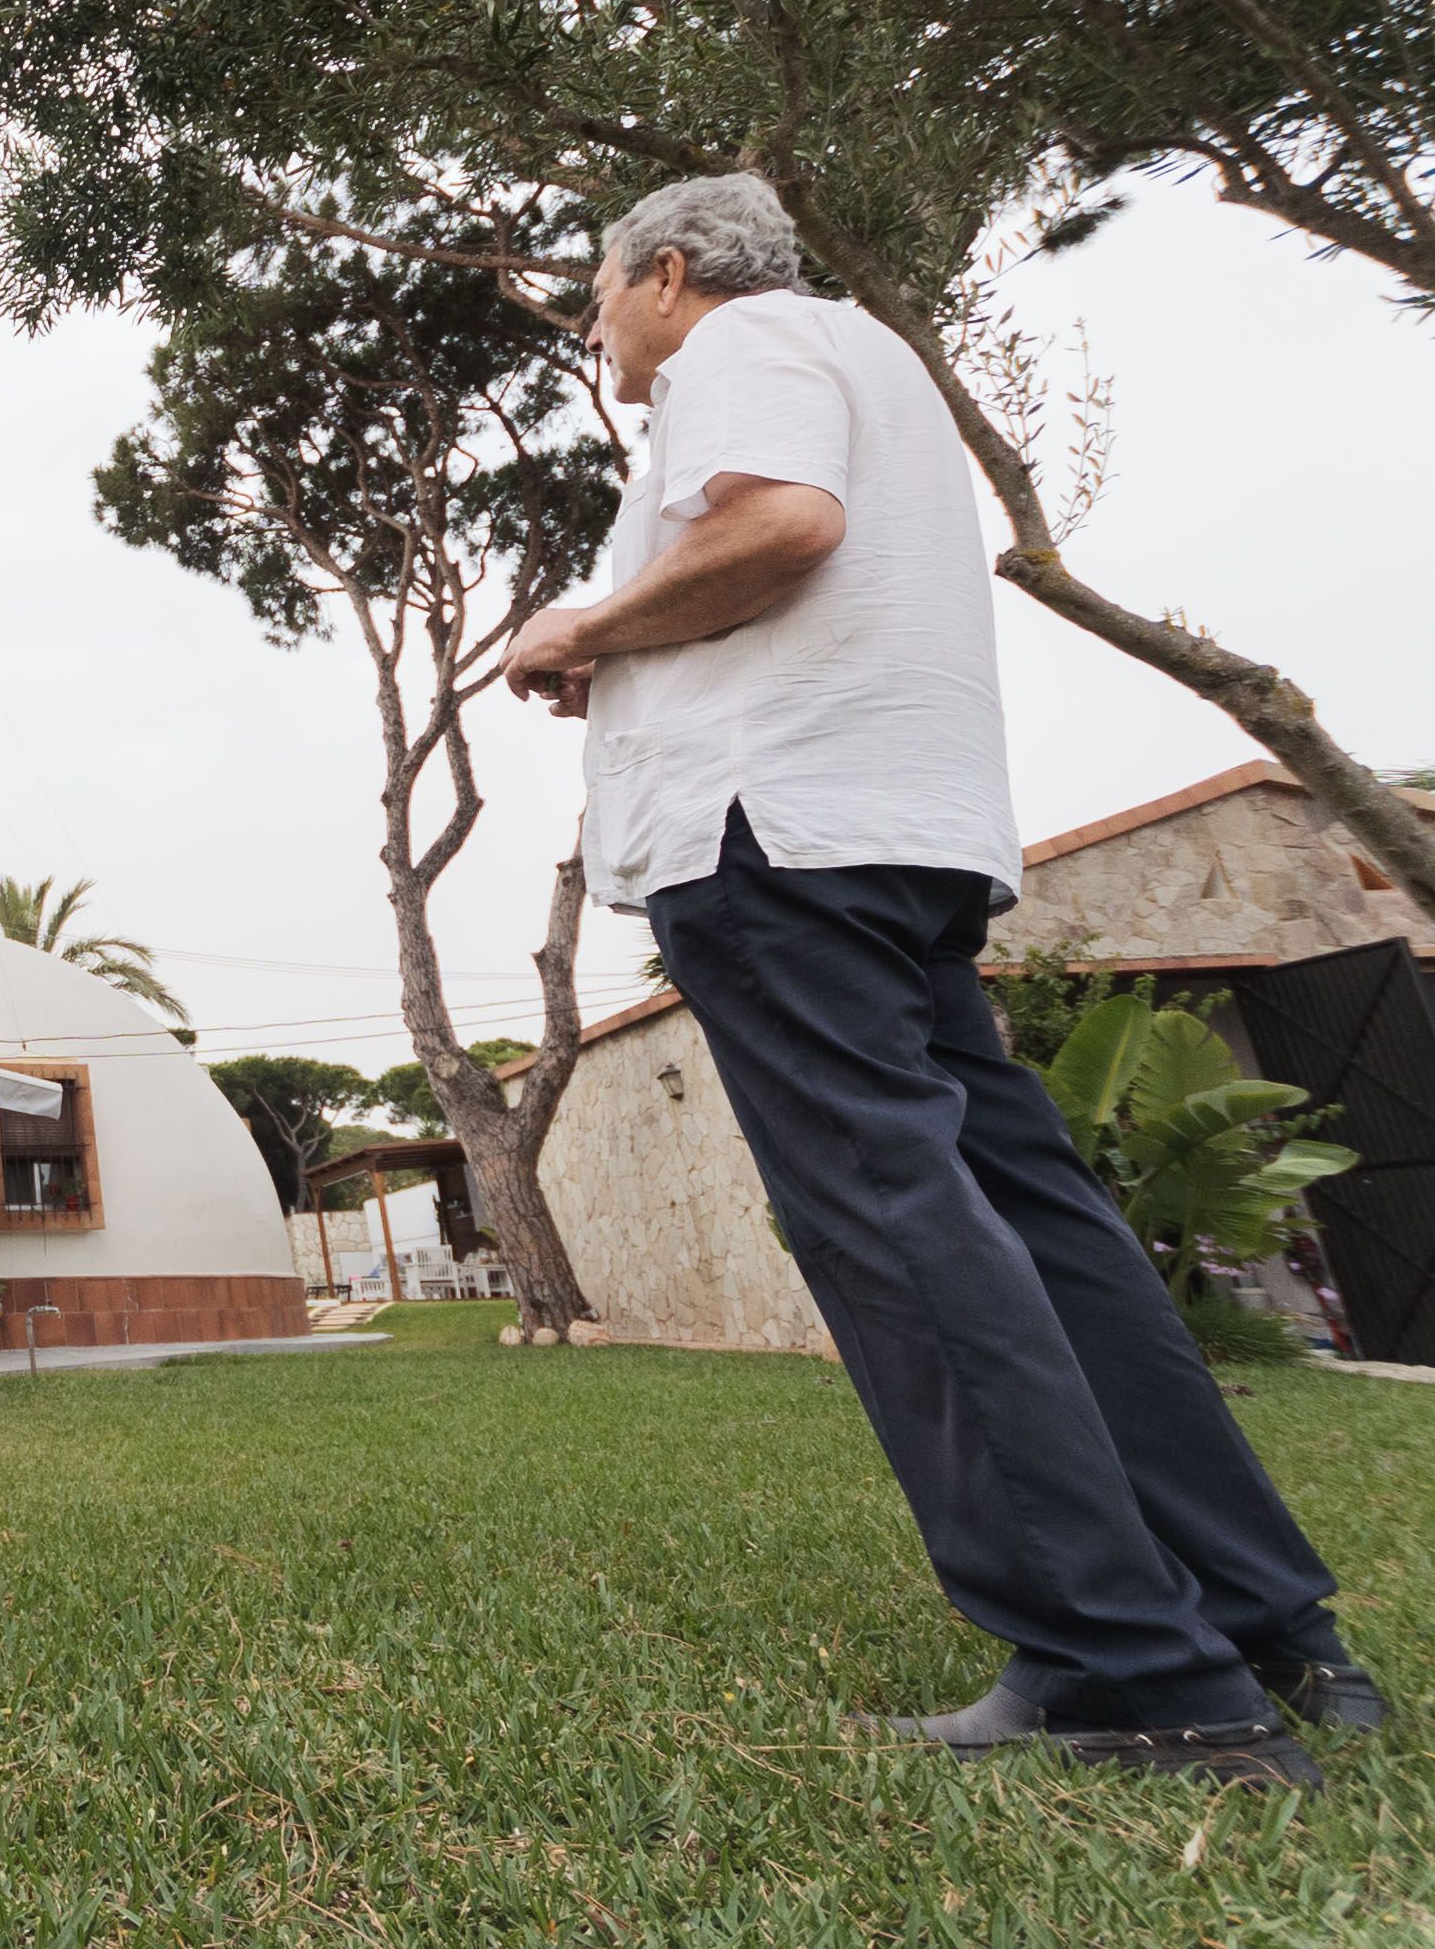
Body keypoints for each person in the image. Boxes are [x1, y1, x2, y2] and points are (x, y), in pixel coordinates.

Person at [503, 172, 1384, 1789]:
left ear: (669, 273)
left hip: (771, 841)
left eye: (602, 297)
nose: (602, 328)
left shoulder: (739, 349)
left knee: (896, 1228)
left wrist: (588, 626)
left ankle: (1131, 1667)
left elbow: (778, 528)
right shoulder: (872, 358)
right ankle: (1276, 1631)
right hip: (903, 838)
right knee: (1041, 1227)